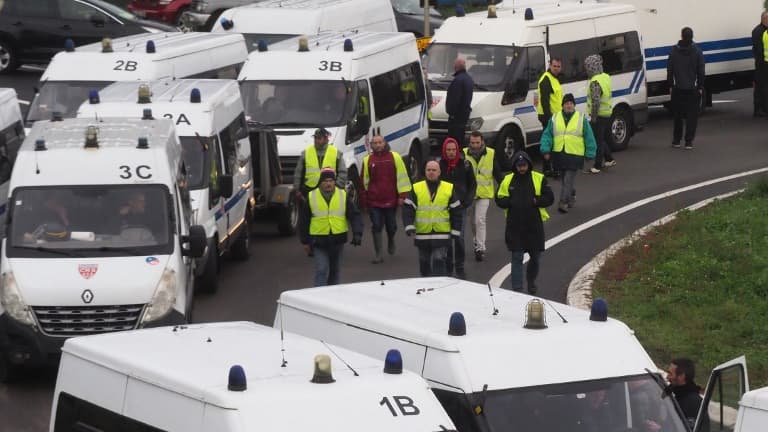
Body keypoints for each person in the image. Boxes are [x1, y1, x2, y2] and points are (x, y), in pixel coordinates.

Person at [495, 151, 553, 293]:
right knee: (517, 257)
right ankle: (517, 288)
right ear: (515, 166)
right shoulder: (508, 180)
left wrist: (537, 201)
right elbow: (499, 199)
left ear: (528, 165)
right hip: (515, 226)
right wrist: (510, 201)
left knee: (535, 258)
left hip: (534, 227)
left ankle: (531, 281)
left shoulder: (539, 178)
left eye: (524, 165)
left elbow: (550, 198)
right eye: (519, 165)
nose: (522, 168)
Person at [298, 168, 363, 287]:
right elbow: (304, 220)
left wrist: (357, 233)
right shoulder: (312, 196)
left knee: (335, 271)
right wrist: (305, 241)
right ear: (320, 182)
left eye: (331, 181)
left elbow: (354, 215)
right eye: (325, 181)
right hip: (319, 241)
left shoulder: (342, 195)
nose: (328, 183)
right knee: (321, 269)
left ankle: (332, 297)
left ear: (334, 182)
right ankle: (319, 297)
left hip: (338, 240)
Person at [402, 160, 462, 277]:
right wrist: (409, 226)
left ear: (439, 172)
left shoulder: (448, 188)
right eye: (428, 170)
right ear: (424, 172)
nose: (431, 172)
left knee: (438, 259)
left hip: (442, 234)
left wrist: (456, 230)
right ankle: (426, 286)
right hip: (422, 235)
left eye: (434, 170)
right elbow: (408, 208)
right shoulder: (416, 188)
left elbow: (456, 211)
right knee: (424, 263)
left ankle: (438, 288)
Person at [539, 93, 597, 214]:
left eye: (570, 103)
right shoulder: (555, 118)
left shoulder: (581, 118)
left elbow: (589, 136)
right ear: (563, 106)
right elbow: (547, 135)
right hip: (559, 155)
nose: (568, 106)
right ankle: (571, 194)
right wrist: (545, 149)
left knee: (568, 179)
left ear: (574, 105)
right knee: (564, 179)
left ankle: (563, 202)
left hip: (575, 155)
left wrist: (590, 152)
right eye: (566, 104)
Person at [360, 135, 412, 264]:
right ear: (371, 145)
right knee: (376, 225)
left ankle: (391, 240)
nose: (378, 145)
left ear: (384, 143)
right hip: (374, 200)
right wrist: (364, 201)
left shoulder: (395, 157)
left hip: (391, 199)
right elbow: (364, 182)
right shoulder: (367, 160)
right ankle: (378, 254)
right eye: (375, 143)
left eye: (380, 142)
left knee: (392, 226)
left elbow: (402, 177)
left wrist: (402, 196)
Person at [463, 131, 504, 262]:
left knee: (480, 220)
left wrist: (504, 187)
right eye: (472, 143)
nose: (475, 145)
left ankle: (480, 248)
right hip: (469, 194)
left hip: (485, 193)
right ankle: (476, 241)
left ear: (482, 142)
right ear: (469, 142)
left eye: (477, 142)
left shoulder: (491, 154)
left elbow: (497, 172)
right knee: (472, 222)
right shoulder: (463, 154)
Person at [439, 137, 476, 279]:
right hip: (444, 208)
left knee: (459, 237)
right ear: (444, 150)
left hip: (460, 207)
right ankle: (448, 268)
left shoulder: (465, 165)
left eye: (453, 150)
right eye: (448, 150)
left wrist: (467, 201)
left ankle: (460, 267)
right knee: (447, 238)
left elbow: (472, 185)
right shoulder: (439, 165)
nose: (451, 153)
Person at [667, 27, 705, 149]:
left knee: (678, 116)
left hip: (678, 88)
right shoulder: (697, 51)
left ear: (681, 36)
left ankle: (676, 140)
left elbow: (669, 70)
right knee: (691, 116)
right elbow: (701, 71)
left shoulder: (674, 51)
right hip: (692, 88)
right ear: (692, 36)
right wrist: (700, 86)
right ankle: (688, 141)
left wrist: (670, 85)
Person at [293, 128, 347, 201]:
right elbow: (298, 173)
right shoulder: (306, 153)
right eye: (315, 138)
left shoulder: (336, 152)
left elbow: (343, 172)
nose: (316, 140)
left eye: (319, 138)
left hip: (330, 190)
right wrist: (297, 189)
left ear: (326, 139)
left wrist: (338, 187)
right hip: (309, 190)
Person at [585, 54, 617, 173]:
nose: (586, 69)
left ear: (592, 67)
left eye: (587, 67)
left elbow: (596, 101)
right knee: (600, 138)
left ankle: (597, 165)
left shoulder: (595, 82)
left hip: (599, 115)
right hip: (607, 112)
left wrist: (593, 117)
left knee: (597, 141)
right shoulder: (605, 77)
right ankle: (609, 159)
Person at [536, 57, 563, 178]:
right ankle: (552, 168)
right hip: (548, 116)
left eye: (558, 66)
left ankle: (547, 168)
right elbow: (545, 101)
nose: (556, 68)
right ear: (550, 65)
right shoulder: (546, 79)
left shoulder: (554, 78)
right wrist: (549, 119)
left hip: (554, 116)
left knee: (548, 142)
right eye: (555, 66)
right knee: (552, 143)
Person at [665, 358, 710, 431]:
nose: (667, 377)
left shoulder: (694, 402)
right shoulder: (677, 393)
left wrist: (661, 429)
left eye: (670, 374)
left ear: (681, 376)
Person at [445, 57, 474, 148]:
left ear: (456, 67)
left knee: (454, 142)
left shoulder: (458, 80)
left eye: (454, 64)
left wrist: (451, 113)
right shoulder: (468, 79)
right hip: (464, 115)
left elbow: (454, 99)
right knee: (460, 139)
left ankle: (455, 159)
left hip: (456, 118)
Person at [752, 11, 768, 117]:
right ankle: (760, 109)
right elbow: (758, 49)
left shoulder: (761, 30)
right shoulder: (759, 31)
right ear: (764, 19)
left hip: (763, 63)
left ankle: (760, 108)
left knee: (761, 87)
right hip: (762, 64)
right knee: (762, 87)